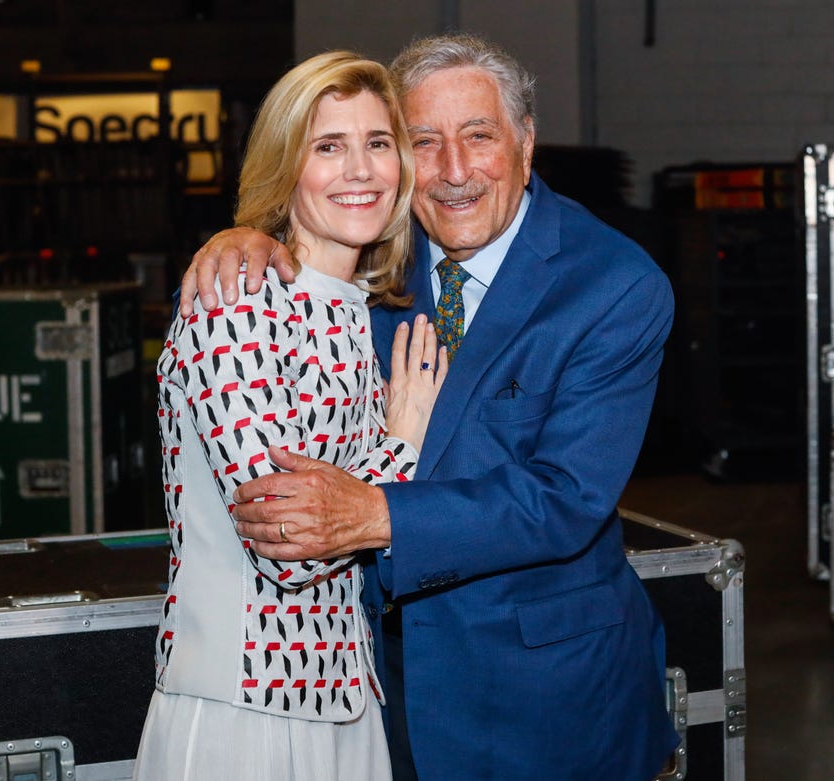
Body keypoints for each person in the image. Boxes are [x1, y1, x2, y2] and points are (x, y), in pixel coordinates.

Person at [181, 32, 680, 781]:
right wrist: (245, 235)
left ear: (526, 143)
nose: (452, 172)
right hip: (364, 694)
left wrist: (374, 515)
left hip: (545, 702)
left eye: (478, 136)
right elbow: (307, 225)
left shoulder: (613, 284)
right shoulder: (376, 251)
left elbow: (565, 498)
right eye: (423, 141)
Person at [134, 50, 448, 781]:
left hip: (347, 701)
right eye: (328, 147)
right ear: (286, 166)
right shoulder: (236, 301)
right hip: (245, 709)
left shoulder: (359, 310)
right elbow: (285, 537)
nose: (360, 169)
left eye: (378, 144)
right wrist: (402, 440)